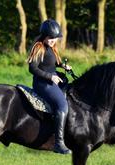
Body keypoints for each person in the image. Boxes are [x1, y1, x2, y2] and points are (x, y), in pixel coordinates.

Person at [27, 19, 72, 154]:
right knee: (62, 105)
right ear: (44, 36)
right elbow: (32, 68)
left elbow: (51, 63)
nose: (53, 41)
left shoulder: (51, 47)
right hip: (42, 83)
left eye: (55, 38)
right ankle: (58, 143)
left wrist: (62, 66)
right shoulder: (38, 47)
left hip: (53, 79)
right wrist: (50, 77)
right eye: (50, 38)